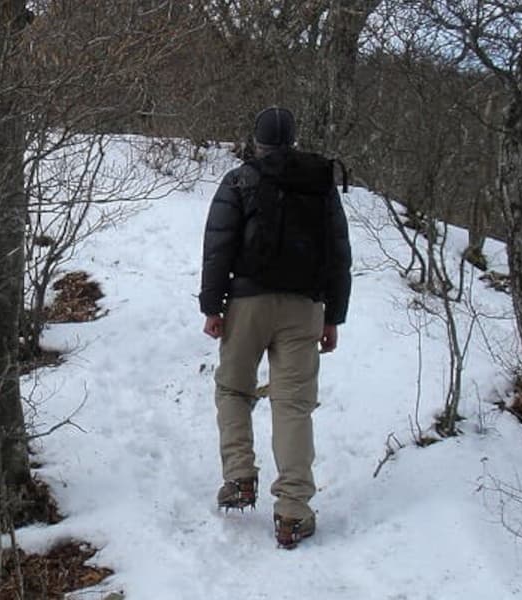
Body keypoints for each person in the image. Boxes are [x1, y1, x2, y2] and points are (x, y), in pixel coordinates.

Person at [199, 107, 352, 549]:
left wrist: (213, 305)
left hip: (246, 303)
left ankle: (240, 478)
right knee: (293, 405)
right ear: (294, 140)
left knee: (232, 389)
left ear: (257, 141)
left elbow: (218, 243)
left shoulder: (239, 180)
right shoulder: (320, 184)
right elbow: (339, 252)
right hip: (305, 306)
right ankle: (292, 513)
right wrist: (332, 316)